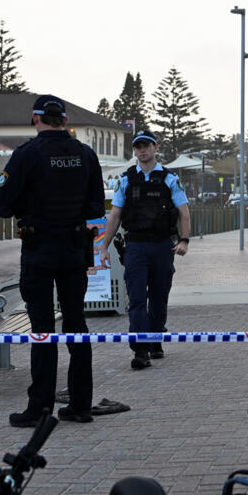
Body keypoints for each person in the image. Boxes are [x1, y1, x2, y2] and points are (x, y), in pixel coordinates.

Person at [0, 94, 105, 427]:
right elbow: (96, 207)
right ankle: (81, 404)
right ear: (65, 121)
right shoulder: (86, 155)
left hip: (39, 251)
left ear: (35, 119)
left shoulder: (26, 155)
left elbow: (1, 204)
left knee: (42, 331)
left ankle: (39, 409)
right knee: (76, 326)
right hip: (74, 251)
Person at [99, 130, 190, 370]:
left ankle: (156, 338)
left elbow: (184, 212)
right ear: (134, 150)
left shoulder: (169, 179)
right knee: (137, 298)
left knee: (159, 297)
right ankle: (140, 350)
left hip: (162, 246)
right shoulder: (126, 180)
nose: (142, 150)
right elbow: (115, 215)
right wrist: (104, 246)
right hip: (136, 246)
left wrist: (184, 240)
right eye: (138, 147)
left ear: (155, 147)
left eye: (146, 146)